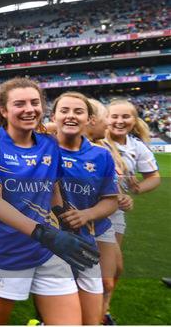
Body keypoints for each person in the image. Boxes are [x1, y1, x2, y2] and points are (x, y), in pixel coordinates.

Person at [0, 78, 98, 325]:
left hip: (47, 249)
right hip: (4, 250)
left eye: (35, 102)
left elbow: (52, 191)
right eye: (19, 104)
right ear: (3, 110)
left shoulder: (49, 144)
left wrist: (69, 226)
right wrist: (47, 235)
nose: (29, 109)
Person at [51, 92, 119, 325]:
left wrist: (86, 214)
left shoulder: (101, 156)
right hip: (49, 246)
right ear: (54, 116)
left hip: (85, 243)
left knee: (91, 318)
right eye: (64, 111)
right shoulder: (40, 149)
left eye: (78, 112)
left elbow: (111, 200)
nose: (71, 116)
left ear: (89, 119)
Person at [102, 98, 161, 324]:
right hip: (87, 209)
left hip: (115, 213)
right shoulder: (95, 139)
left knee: (114, 268)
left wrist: (134, 191)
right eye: (114, 116)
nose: (119, 121)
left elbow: (153, 178)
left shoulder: (136, 146)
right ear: (105, 118)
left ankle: (103, 311)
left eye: (125, 116)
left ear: (134, 120)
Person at [86, 98, 133, 324]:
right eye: (106, 117)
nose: (109, 123)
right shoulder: (64, 146)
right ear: (92, 120)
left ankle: (101, 315)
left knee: (111, 273)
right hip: (85, 223)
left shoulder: (102, 149)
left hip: (103, 220)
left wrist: (117, 196)